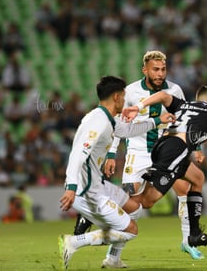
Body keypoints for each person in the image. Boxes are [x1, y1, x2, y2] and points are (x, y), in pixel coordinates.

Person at [96, 50, 204, 259]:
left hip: (167, 154)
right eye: (155, 69)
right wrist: (111, 153)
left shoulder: (174, 89)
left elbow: (185, 120)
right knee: (134, 205)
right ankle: (112, 256)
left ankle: (187, 241)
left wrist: (196, 147)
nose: (160, 74)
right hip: (138, 153)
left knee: (185, 188)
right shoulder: (131, 92)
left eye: (163, 69)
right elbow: (119, 123)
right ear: (145, 70)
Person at [58, 75, 174, 269]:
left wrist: (158, 121)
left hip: (98, 185)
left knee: (134, 209)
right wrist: (71, 187)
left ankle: (113, 259)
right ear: (117, 97)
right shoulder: (98, 123)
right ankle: (73, 242)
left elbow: (127, 130)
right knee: (131, 230)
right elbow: (77, 154)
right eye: (124, 96)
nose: (125, 100)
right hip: (86, 191)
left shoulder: (104, 118)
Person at [122, 85, 207, 247]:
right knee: (147, 201)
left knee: (198, 178)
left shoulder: (184, 104)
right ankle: (104, 206)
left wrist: (138, 107)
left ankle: (194, 234)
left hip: (163, 145)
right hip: (175, 151)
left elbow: (163, 95)